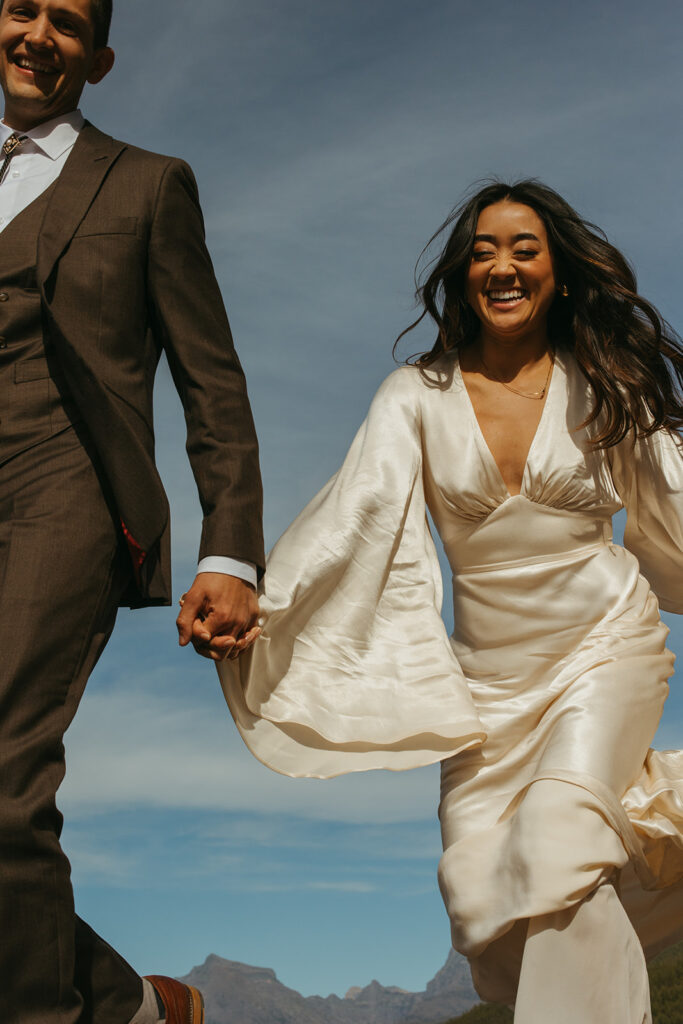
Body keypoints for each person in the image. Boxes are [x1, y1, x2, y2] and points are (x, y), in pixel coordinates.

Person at [219, 180, 683, 1022]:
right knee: (488, 909)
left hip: (603, 651)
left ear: (561, 274)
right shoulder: (416, 395)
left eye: (523, 248)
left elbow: (675, 503)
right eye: (482, 250)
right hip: (485, 690)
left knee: (558, 837)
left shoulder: (609, 385)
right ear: (462, 274)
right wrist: (260, 600)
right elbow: (350, 516)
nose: (501, 265)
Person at [0, 1, 265, 1022]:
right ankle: (130, 1006)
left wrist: (230, 550)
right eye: (21, 7)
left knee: (5, 777)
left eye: (66, 22)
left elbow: (212, 380)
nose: (38, 34)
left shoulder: (148, 184)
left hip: (63, 484)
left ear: (98, 59)